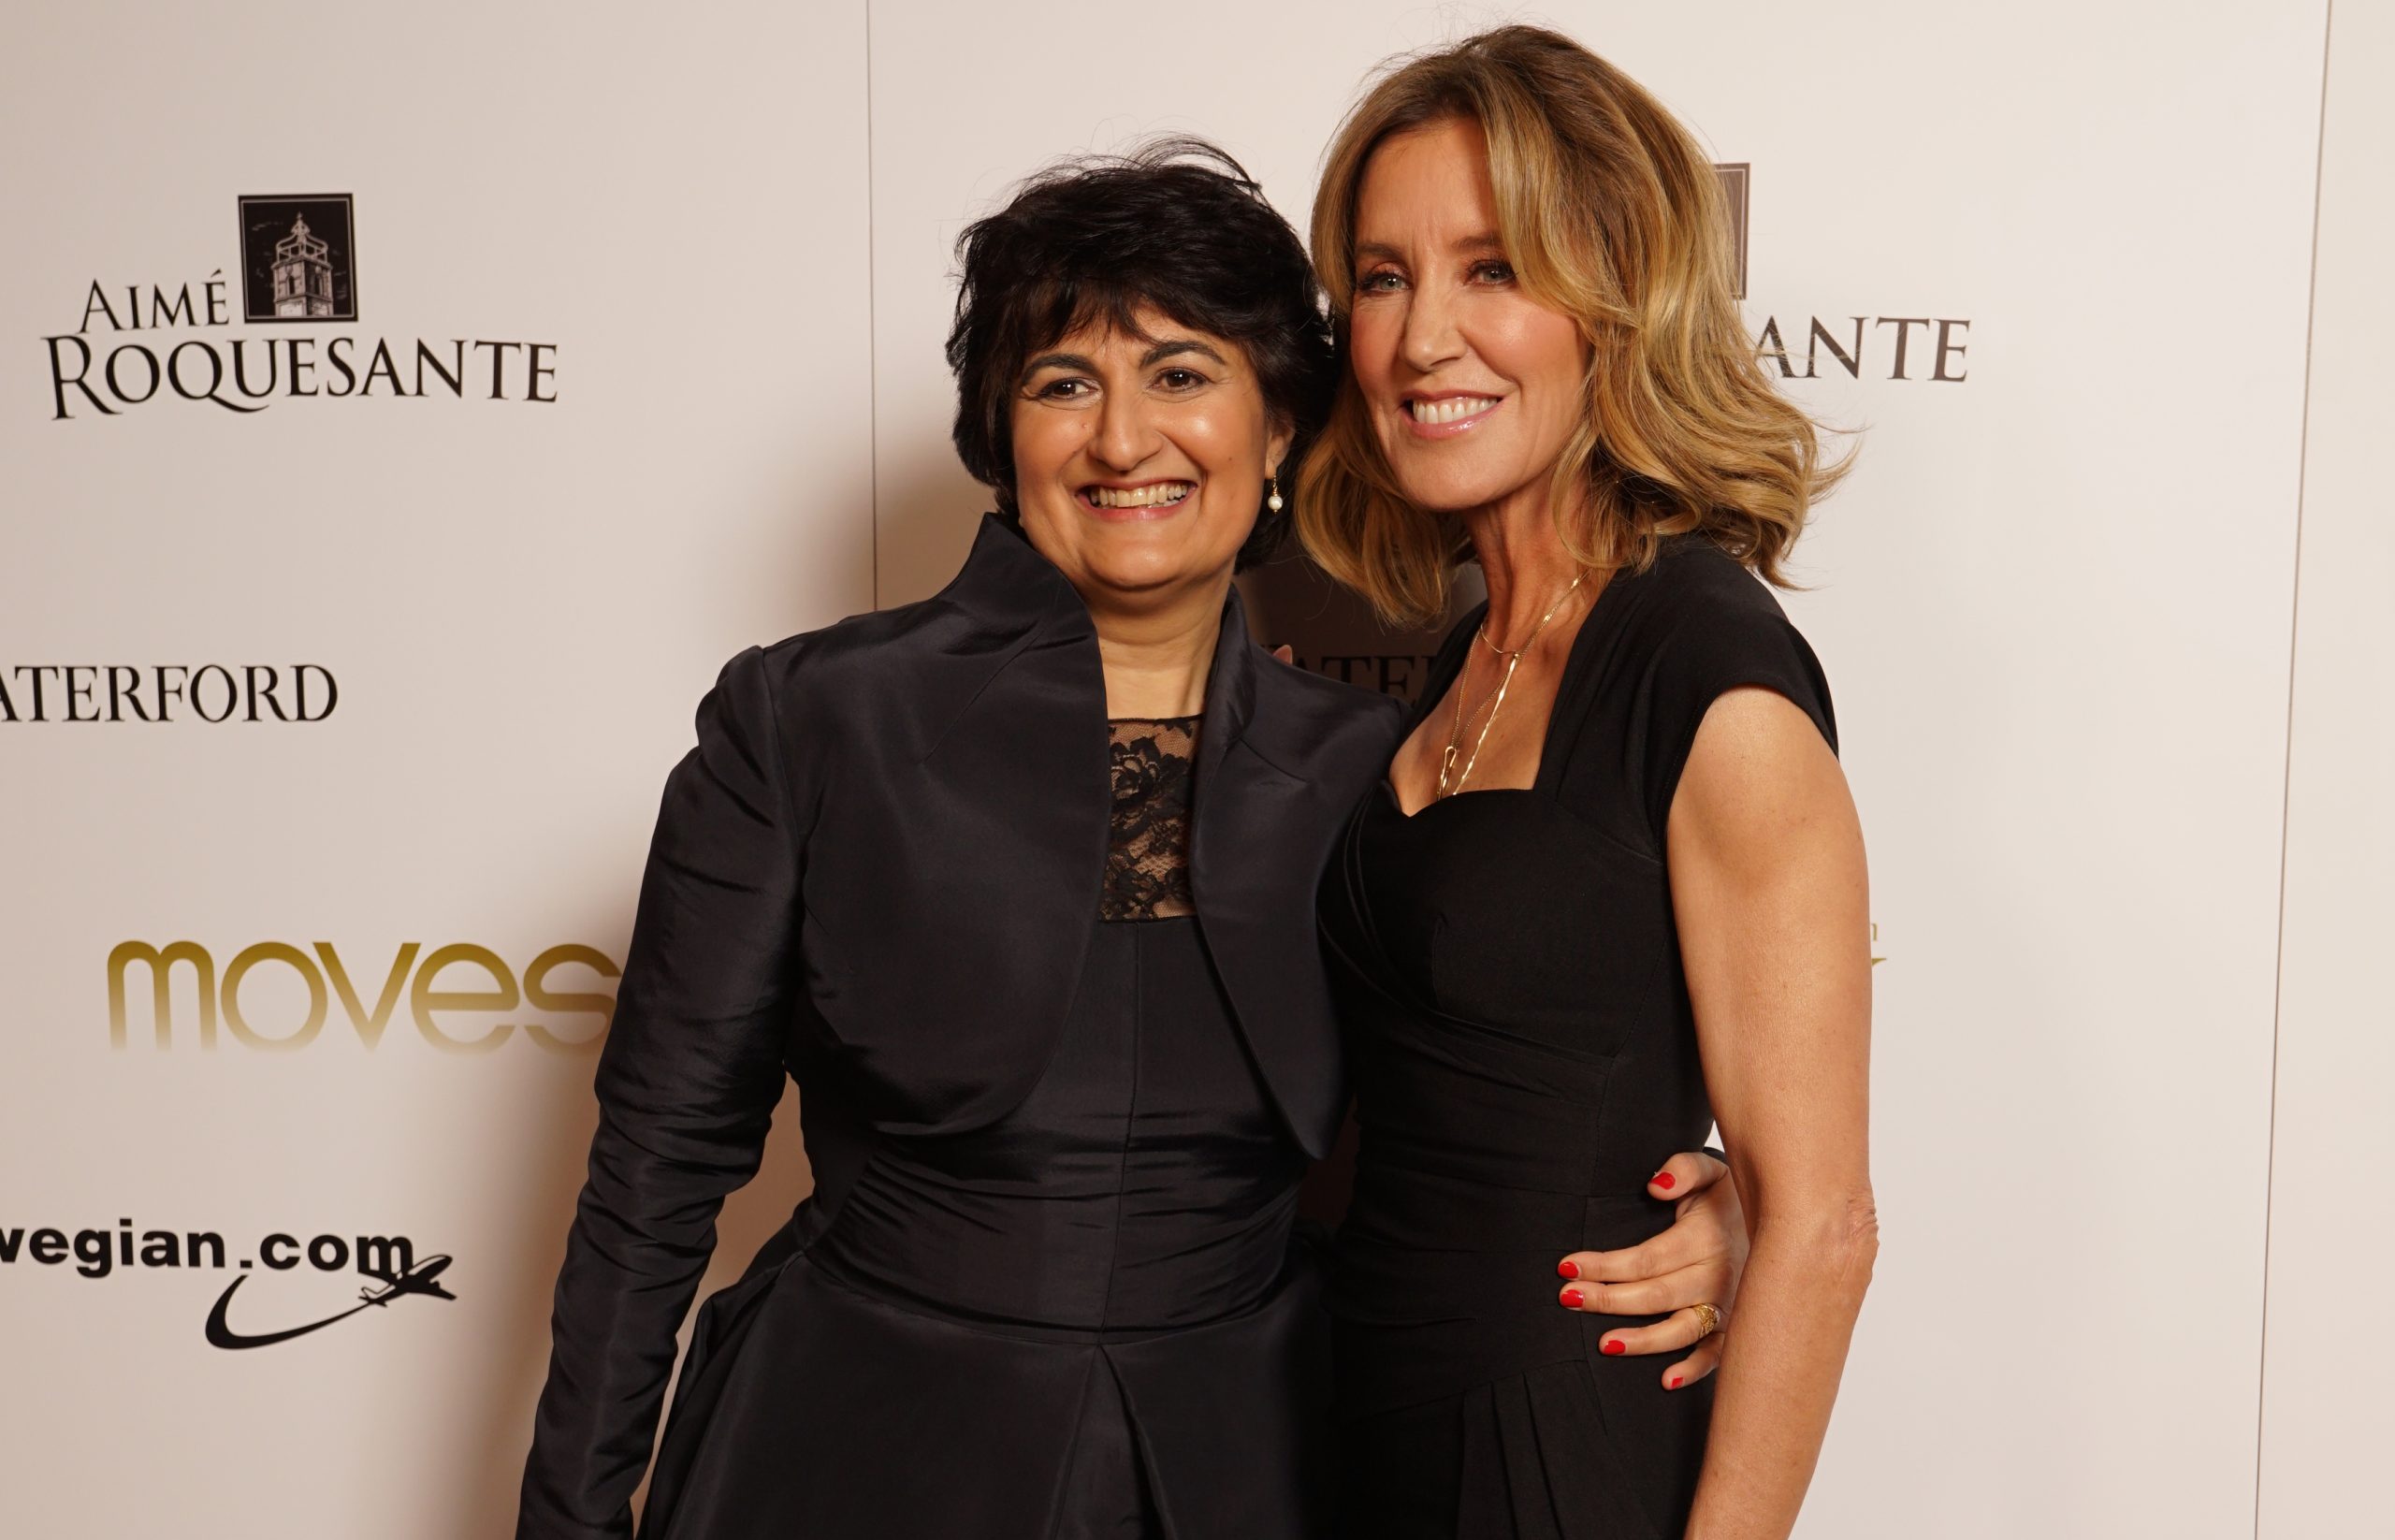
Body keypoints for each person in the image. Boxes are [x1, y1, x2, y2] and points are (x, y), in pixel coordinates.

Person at [515, 140, 1741, 1540]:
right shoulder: (810, 722)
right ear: (1002, 434)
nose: (1120, 440)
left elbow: (1493, 1121)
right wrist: (568, 1520)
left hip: (1247, 1467)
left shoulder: (1379, 767)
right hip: (854, 1448)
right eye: (1062, 384)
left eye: (1181, 374)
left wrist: (1709, 1213)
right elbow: (656, 1168)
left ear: (1278, 429)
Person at [1303, 27, 1877, 1540]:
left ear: (1619, 300)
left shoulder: (1705, 664)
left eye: (1493, 269)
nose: (1423, 337)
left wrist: (1743, 1213)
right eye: (1382, 277)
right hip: (1362, 1426)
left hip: (1557, 1452)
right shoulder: (1463, 657)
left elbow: (1823, 1220)